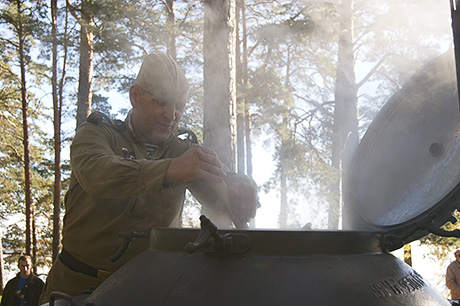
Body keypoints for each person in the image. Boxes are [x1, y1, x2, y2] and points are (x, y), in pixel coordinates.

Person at [39, 52, 258, 304]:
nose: (171, 114)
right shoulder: (97, 134)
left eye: (179, 106)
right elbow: (96, 173)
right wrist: (170, 170)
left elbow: (222, 190)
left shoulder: (183, 151)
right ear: (135, 96)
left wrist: (238, 184)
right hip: (74, 287)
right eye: (161, 102)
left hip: (150, 291)